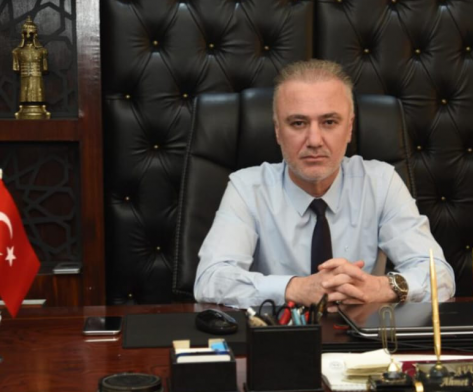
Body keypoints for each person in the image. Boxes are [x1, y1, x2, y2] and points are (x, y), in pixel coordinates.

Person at [194, 59, 455, 308]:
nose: (314, 140)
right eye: (298, 123)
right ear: (277, 130)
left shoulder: (381, 183)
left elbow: (440, 276)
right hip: (279, 332)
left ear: (349, 128)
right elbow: (210, 279)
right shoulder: (247, 188)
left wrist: (381, 287)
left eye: (329, 122)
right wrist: (294, 288)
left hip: (364, 335)